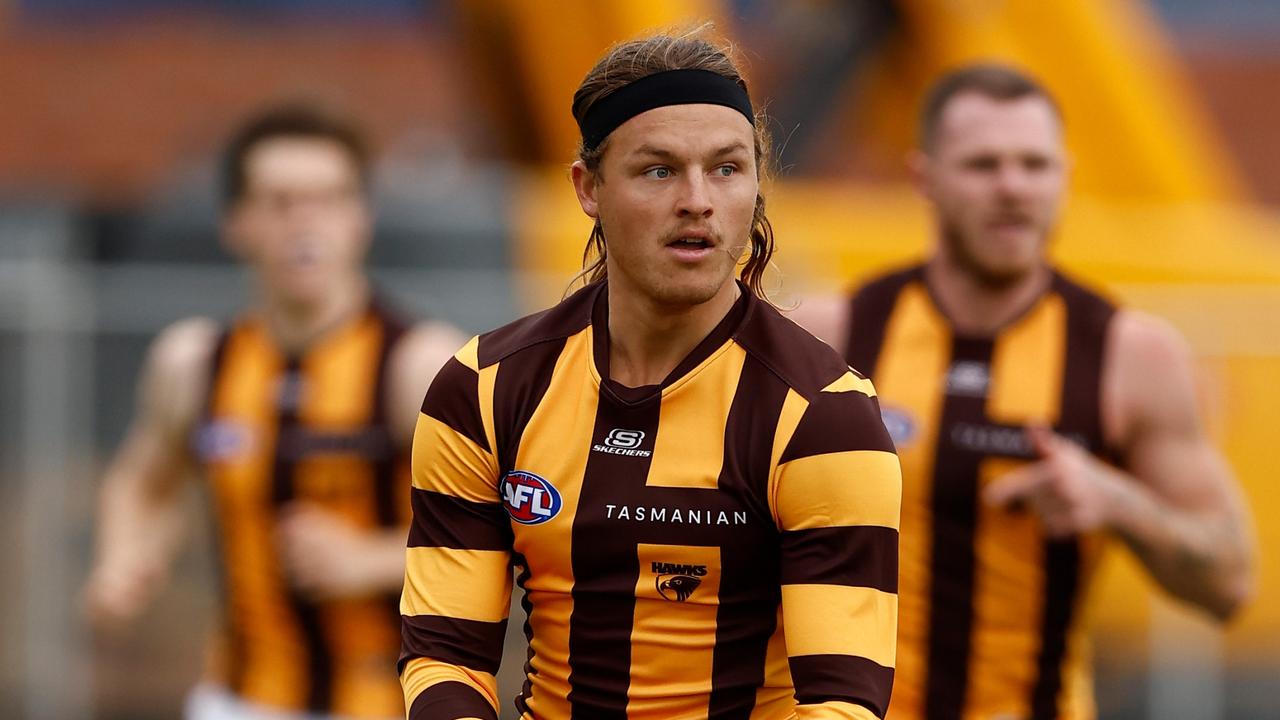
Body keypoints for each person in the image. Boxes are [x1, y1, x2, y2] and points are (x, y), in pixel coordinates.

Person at [399, 30, 902, 720]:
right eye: (658, 170)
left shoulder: (823, 415)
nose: (698, 200)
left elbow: (842, 703)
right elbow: (444, 653)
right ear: (589, 188)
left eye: (726, 169)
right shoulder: (484, 387)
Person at [791, 64, 1256, 720]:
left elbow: (1231, 583)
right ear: (924, 179)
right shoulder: (831, 336)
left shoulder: (1130, 356)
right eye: (984, 165)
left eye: (1034, 165)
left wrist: (1119, 501)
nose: (1012, 188)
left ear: (1064, 176)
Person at [82, 102, 466, 720]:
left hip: (388, 701)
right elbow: (145, 478)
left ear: (360, 219)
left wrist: (368, 557)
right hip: (237, 698)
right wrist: (123, 557)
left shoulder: (419, 365)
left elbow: (506, 529)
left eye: (330, 199)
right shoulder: (194, 361)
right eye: (281, 202)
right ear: (236, 223)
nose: (306, 223)